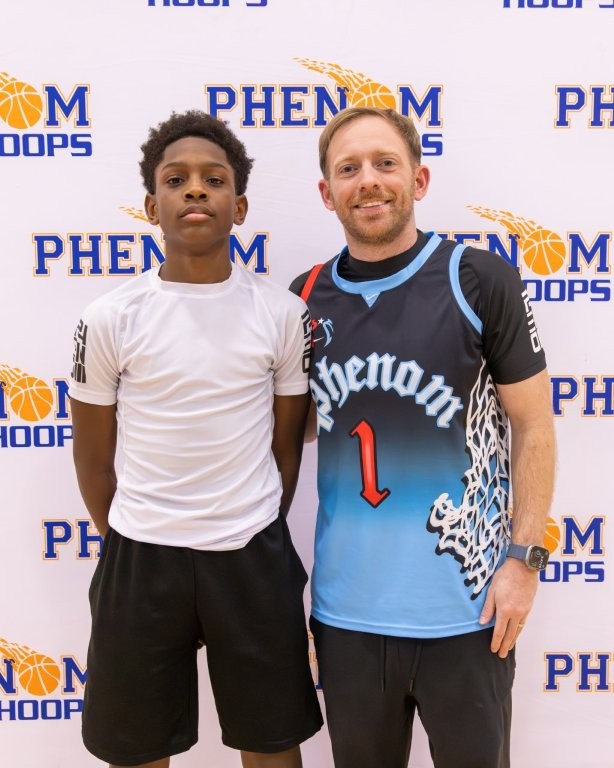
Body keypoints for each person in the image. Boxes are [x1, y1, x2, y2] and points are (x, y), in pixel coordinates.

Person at [290, 106, 555, 768]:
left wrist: (524, 561)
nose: (368, 180)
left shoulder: (479, 279)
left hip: (469, 612)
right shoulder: (304, 298)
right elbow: (287, 436)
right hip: (347, 618)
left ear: (419, 178)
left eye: (385, 163)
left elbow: (534, 426)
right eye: (348, 169)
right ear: (327, 192)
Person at [69, 110, 322, 768]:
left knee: (271, 743)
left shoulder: (282, 313)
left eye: (214, 180)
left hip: (250, 555)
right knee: (136, 749)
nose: (196, 190)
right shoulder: (109, 318)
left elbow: (286, 449)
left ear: (239, 207)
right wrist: (138, 533)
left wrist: (247, 517)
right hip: (140, 557)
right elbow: (93, 461)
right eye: (176, 180)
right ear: (152, 206)